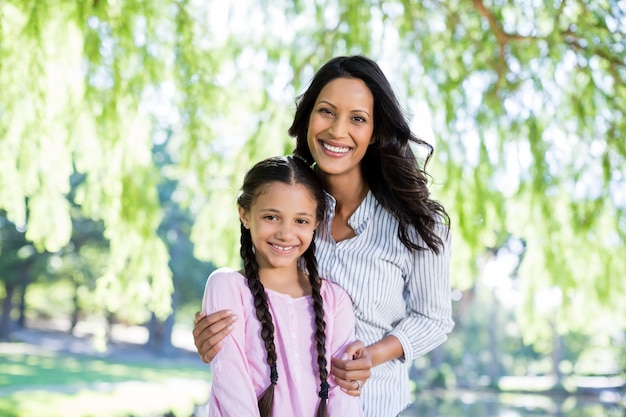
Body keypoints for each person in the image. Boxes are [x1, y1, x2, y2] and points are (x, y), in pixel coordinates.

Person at [195, 55, 454, 417]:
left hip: (376, 405)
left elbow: (434, 319)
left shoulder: (418, 224)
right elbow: (256, 297)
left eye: (358, 119)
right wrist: (217, 340)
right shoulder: (285, 201)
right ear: (307, 117)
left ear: (375, 131)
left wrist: (373, 355)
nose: (337, 131)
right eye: (327, 111)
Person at [202, 155, 364, 417]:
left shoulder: (335, 300)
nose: (286, 234)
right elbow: (231, 387)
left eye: (300, 221)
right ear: (244, 214)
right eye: (271, 217)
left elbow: (343, 398)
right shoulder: (227, 287)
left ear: (316, 224)